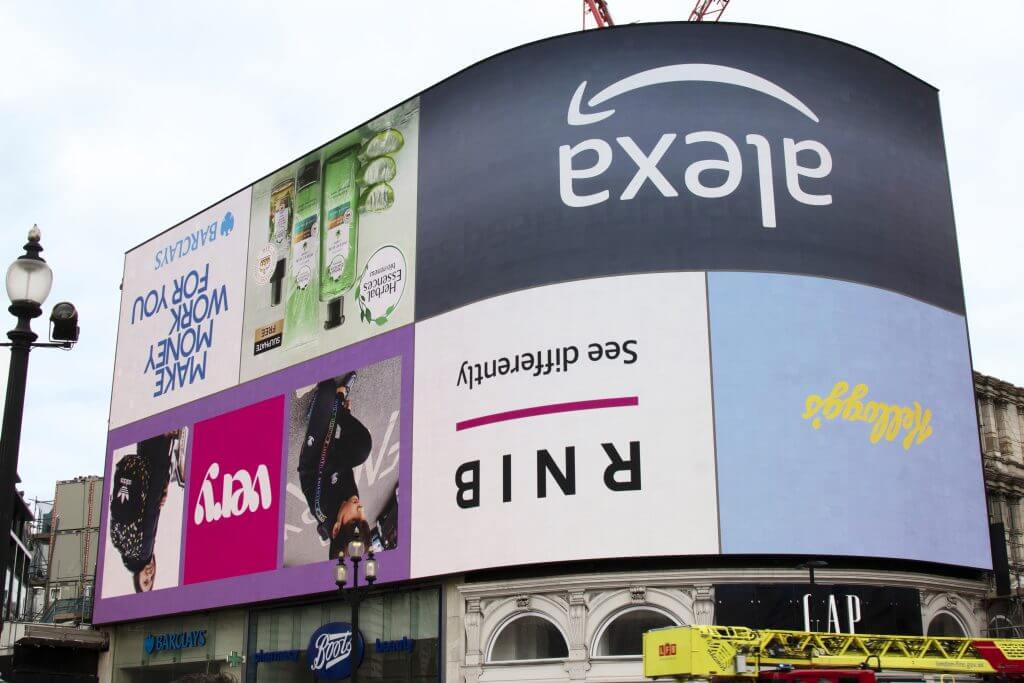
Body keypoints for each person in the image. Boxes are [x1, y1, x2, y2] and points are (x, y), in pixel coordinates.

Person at [297, 371, 374, 559]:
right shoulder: (352, 506)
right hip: (335, 462)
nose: (362, 511)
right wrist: (343, 416)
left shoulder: (322, 507)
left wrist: (336, 409)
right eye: (364, 520)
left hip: (316, 461)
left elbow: (326, 449)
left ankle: (321, 411)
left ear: (337, 528)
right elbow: (346, 466)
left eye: (356, 520)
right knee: (363, 448)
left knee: (328, 389)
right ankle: (329, 410)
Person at [109, 430, 180, 592]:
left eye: (145, 581)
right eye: (152, 579)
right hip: (143, 451)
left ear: (137, 578)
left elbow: (151, 499)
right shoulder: (121, 544)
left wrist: (164, 482)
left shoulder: (143, 553)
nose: (150, 574)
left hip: (157, 452)